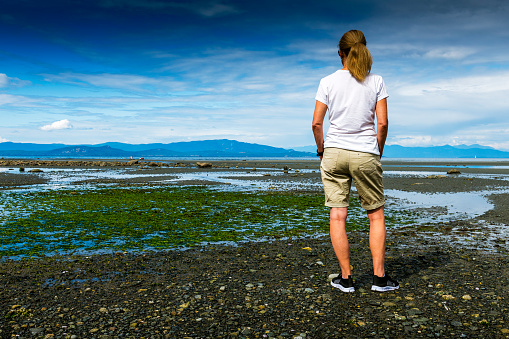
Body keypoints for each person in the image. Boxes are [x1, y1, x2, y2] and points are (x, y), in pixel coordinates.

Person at [312, 30, 399, 292]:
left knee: (338, 216)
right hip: (365, 153)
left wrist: (321, 150)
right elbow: (382, 124)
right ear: (364, 49)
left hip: (334, 152)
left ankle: (346, 279)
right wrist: (377, 150)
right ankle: (379, 279)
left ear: (340, 53)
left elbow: (317, 123)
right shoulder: (377, 81)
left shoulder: (327, 82)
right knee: (376, 216)